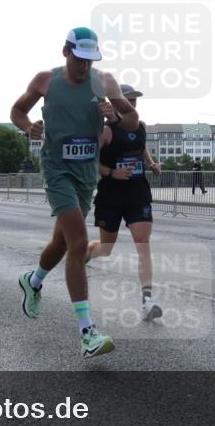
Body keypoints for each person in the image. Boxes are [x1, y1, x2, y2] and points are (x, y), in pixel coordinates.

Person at [11, 26, 139, 359]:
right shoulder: (45, 81)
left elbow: (133, 120)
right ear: (66, 52)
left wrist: (117, 115)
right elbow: (17, 111)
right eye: (79, 59)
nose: (84, 66)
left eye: (89, 60)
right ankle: (87, 333)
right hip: (56, 171)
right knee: (79, 242)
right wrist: (29, 127)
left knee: (62, 241)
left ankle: (33, 281)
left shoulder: (105, 82)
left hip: (85, 175)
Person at [86, 84, 163, 321]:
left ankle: (147, 301)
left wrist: (151, 163)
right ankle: (85, 254)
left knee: (143, 242)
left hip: (137, 192)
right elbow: (89, 160)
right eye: (128, 101)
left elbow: (141, 149)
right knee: (106, 248)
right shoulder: (106, 131)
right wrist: (112, 172)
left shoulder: (140, 126)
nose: (133, 106)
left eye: (135, 102)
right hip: (111, 194)